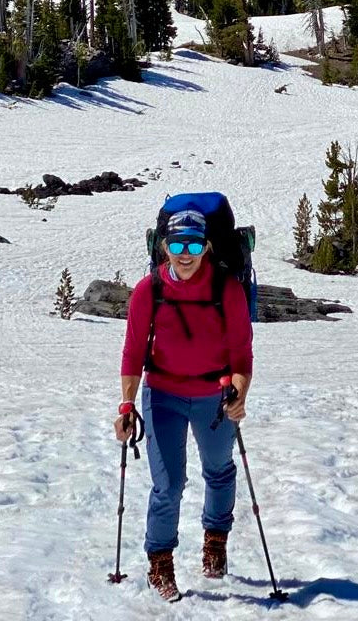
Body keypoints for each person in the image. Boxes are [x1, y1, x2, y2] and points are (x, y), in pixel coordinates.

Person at [114, 205, 253, 602]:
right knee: (169, 484)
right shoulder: (149, 290)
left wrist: (239, 394)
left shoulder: (226, 289)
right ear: (164, 246)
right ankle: (160, 561)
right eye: (177, 243)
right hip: (163, 395)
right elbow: (132, 352)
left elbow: (242, 355)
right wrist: (126, 404)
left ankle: (215, 539)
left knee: (219, 471)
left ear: (207, 246)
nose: (185, 252)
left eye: (193, 243)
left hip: (215, 395)